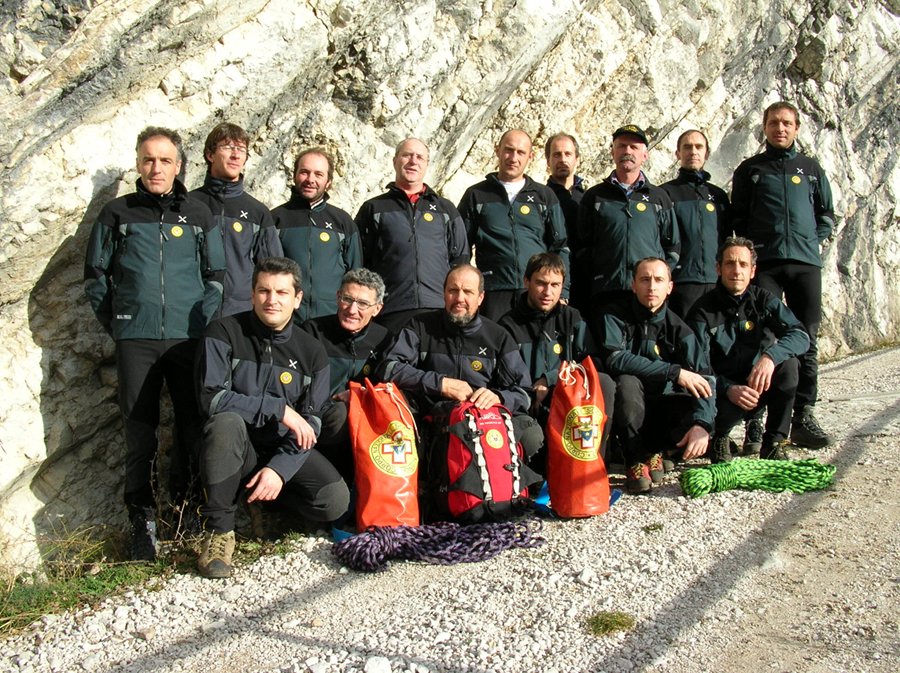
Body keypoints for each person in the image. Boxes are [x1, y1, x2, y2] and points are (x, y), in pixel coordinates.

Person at [84, 126, 224, 560]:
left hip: (187, 339)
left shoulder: (198, 213)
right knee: (140, 433)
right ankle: (142, 524)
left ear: (179, 166)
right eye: (148, 159)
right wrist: (121, 324)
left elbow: (216, 277)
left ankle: (187, 514)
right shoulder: (117, 213)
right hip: (137, 340)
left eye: (165, 160)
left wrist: (201, 322)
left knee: (190, 427)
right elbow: (95, 278)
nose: (156, 168)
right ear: (138, 164)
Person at [196, 257, 349, 578]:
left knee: (334, 501)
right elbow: (212, 399)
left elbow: (313, 422)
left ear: (297, 299)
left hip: (279, 448)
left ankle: (270, 508)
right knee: (225, 421)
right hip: (235, 447)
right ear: (252, 294)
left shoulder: (312, 351)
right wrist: (277, 409)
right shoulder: (223, 332)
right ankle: (219, 533)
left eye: (281, 292)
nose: (271, 299)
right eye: (263, 291)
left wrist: (279, 471)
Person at [731, 101, 836, 449]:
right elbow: (738, 219)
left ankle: (803, 413)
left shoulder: (811, 168)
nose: (780, 128)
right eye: (774, 122)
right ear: (764, 127)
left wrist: (812, 242)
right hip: (768, 266)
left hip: (805, 264)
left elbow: (826, 215)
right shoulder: (750, 170)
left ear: (796, 128)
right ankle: (756, 420)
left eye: (787, 123)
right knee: (762, 338)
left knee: (806, 336)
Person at [380, 264, 542, 460]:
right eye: (453, 290)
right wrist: (440, 384)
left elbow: (525, 392)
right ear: (443, 293)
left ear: (480, 297)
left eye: (468, 292)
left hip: (484, 421)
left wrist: (499, 397)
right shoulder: (420, 326)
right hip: (430, 417)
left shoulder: (497, 336)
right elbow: (390, 368)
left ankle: (511, 486)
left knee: (531, 435)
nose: (460, 299)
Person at [597, 258, 714, 495]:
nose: (652, 286)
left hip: (663, 408)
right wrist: (673, 371)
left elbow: (706, 378)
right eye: (645, 279)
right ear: (633, 285)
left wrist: (703, 425)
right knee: (626, 383)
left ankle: (658, 451)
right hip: (628, 408)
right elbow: (615, 358)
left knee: (696, 401)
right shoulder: (614, 315)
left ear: (669, 287)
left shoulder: (681, 329)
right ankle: (636, 460)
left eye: (659, 280)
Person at [688, 238, 809, 462]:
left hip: (757, 382)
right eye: (730, 264)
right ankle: (720, 436)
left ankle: (773, 442)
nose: (736, 271)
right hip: (722, 391)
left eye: (743, 265)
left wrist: (771, 357)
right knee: (708, 397)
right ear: (718, 268)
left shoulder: (762, 299)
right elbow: (696, 367)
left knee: (790, 365)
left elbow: (801, 336)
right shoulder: (702, 311)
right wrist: (728, 388)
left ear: (752, 271)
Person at [498, 252, 615, 459]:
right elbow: (505, 380)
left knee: (605, 382)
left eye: (555, 285)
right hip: (528, 405)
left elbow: (592, 363)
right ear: (527, 282)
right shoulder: (508, 325)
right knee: (537, 457)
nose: (548, 292)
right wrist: (532, 390)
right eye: (541, 283)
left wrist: (550, 379)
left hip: (568, 401)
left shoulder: (571, 317)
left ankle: (595, 462)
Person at [355, 138, 469, 332]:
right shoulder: (374, 208)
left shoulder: (445, 209)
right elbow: (361, 262)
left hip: (437, 308)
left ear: (426, 164)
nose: (413, 161)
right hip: (391, 309)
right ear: (395, 161)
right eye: (406, 155)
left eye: (419, 157)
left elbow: (460, 259)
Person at [457, 129, 570, 320]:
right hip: (494, 291)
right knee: (495, 347)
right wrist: (467, 290)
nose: (513, 157)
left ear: (530, 157)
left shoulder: (544, 196)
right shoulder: (476, 195)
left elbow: (560, 247)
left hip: (537, 290)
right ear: (497, 150)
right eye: (508, 150)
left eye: (521, 152)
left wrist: (563, 292)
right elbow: (461, 248)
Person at [577, 125, 679, 321]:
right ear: (613, 152)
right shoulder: (595, 196)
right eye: (622, 146)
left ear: (645, 155)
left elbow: (672, 246)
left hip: (647, 294)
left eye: (634, 147)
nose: (627, 152)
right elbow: (582, 245)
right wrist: (602, 271)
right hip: (607, 291)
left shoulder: (658, 198)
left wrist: (657, 280)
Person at [303, 268, 390, 481]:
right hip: (320, 423)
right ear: (337, 296)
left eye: (363, 304)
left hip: (368, 426)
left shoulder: (385, 339)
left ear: (377, 309)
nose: (352, 309)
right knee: (341, 414)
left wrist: (360, 394)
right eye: (347, 299)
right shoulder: (312, 331)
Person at [191, 122, 282, 317]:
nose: (236, 155)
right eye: (228, 147)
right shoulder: (188, 205)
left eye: (241, 149)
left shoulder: (257, 212)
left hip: (241, 314)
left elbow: (273, 271)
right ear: (210, 154)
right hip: (191, 311)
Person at [273, 148, 362, 322]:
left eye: (318, 174)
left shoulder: (343, 222)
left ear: (328, 181)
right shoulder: (275, 219)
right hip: (287, 320)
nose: (310, 180)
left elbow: (356, 275)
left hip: (330, 320)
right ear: (294, 175)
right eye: (304, 172)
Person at [660, 129, 731, 317]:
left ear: (706, 153)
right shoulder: (665, 194)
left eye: (699, 147)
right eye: (687, 147)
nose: (693, 151)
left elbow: (727, 238)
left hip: (716, 280)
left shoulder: (718, 196)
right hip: (681, 282)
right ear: (678, 154)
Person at [545, 132, 589, 312]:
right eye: (556, 154)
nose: (562, 159)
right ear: (548, 160)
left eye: (568, 154)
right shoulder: (542, 198)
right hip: (553, 282)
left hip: (587, 282)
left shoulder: (589, 198)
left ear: (577, 159)